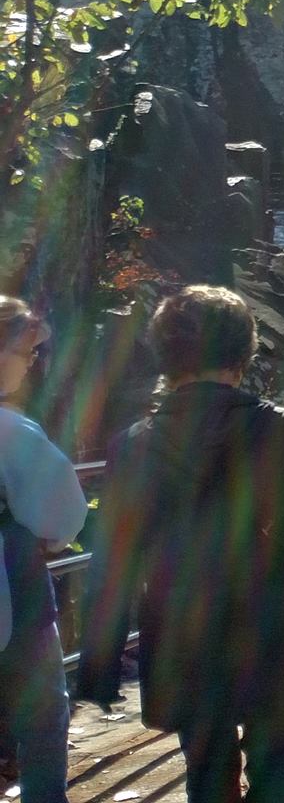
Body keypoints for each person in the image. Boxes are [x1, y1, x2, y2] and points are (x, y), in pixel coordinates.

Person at [78, 286, 284, 803]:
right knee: (276, 761)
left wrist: (100, 661)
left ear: (165, 355)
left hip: (182, 629)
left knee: (205, 768)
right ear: (243, 353)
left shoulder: (135, 444)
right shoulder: (281, 429)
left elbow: (116, 559)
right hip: (273, 621)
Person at [0, 299, 87, 803]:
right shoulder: (12, 430)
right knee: (42, 713)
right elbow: (62, 516)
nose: (32, 362)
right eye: (26, 351)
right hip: (14, 591)